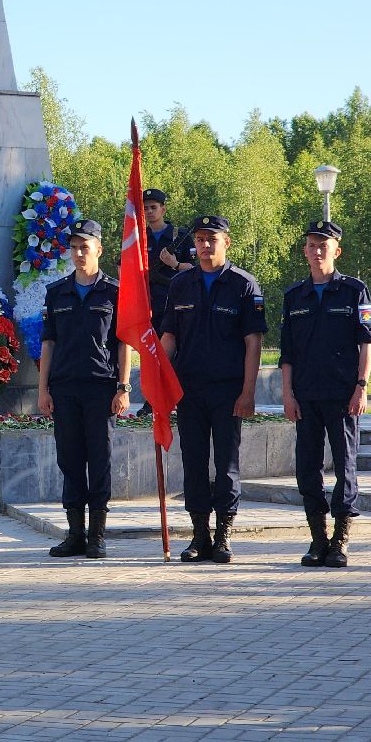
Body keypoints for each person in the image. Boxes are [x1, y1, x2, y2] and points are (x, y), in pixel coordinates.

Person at [159, 215, 267, 564]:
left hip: (228, 391)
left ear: (226, 243)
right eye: (201, 240)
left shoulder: (243, 285)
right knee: (193, 462)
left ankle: (223, 534)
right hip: (189, 390)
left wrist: (248, 392)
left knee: (226, 463)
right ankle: (199, 535)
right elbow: (169, 338)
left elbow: (253, 344)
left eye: (212, 240)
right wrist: (158, 382)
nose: (205, 246)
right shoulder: (181, 284)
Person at [279, 220, 371, 569]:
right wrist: (288, 395)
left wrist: (361, 386)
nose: (317, 251)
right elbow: (287, 353)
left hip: (342, 395)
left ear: (336, 250)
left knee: (345, 467)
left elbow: (367, 342)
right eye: (312, 245)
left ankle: (340, 539)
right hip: (305, 395)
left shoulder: (353, 291)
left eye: (324, 245)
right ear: (305, 250)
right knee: (307, 469)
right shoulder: (295, 296)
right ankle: (317, 539)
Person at [37, 219, 132, 559]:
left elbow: (123, 343)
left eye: (85, 247)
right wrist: (43, 390)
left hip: (101, 389)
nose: (78, 253)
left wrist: (123, 387)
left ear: (99, 250)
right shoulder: (57, 292)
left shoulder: (115, 292)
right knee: (70, 461)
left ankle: (97, 536)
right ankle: (75, 534)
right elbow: (48, 344)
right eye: (74, 247)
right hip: (64, 388)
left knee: (100, 461)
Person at [138, 189, 192, 415]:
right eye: (146, 208)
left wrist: (174, 264)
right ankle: (152, 400)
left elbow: (194, 270)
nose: (150, 212)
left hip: (176, 303)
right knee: (152, 353)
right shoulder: (140, 238)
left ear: (163, 209)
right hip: (149, 304)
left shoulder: (180, 236)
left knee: (176, 353)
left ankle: (177, 397)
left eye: (154, 207)